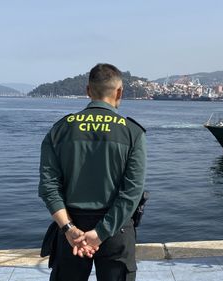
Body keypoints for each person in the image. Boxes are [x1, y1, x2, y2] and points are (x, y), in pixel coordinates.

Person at [38, 63, 146, 281]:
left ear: (88, 91)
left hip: (71, 231)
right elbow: (132, 192)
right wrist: (100, 233)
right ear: (119, 92)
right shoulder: (132, 133)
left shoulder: (59, 130)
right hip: (117, 230)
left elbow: (48, 186)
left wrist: (69, 229)